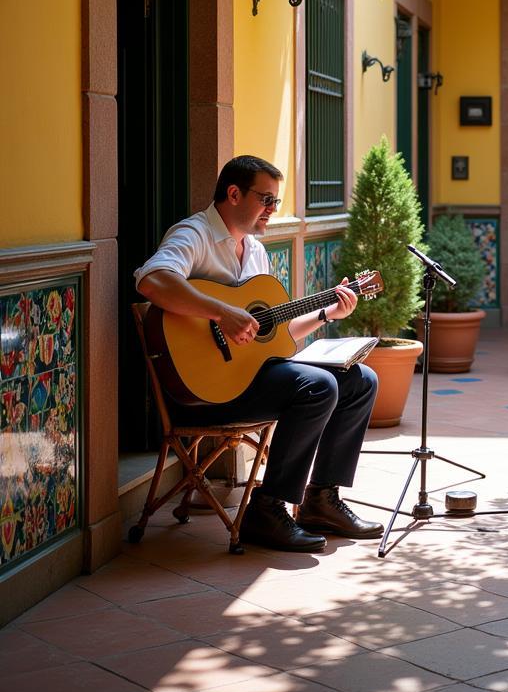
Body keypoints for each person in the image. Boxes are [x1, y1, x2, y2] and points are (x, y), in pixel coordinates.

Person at [135, 155, 384, 553]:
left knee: (360, 380)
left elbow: (278, 335)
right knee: (316, 386)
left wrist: (326, 312)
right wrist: (221, 311)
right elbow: (151, 281)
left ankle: (320, 499)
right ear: (233, 194)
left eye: (276, 203)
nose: (272, 210)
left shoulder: (254, 251)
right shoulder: (193, 234)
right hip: (201, 391)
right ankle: (265, 510)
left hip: (248, 380)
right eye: (266, 200)